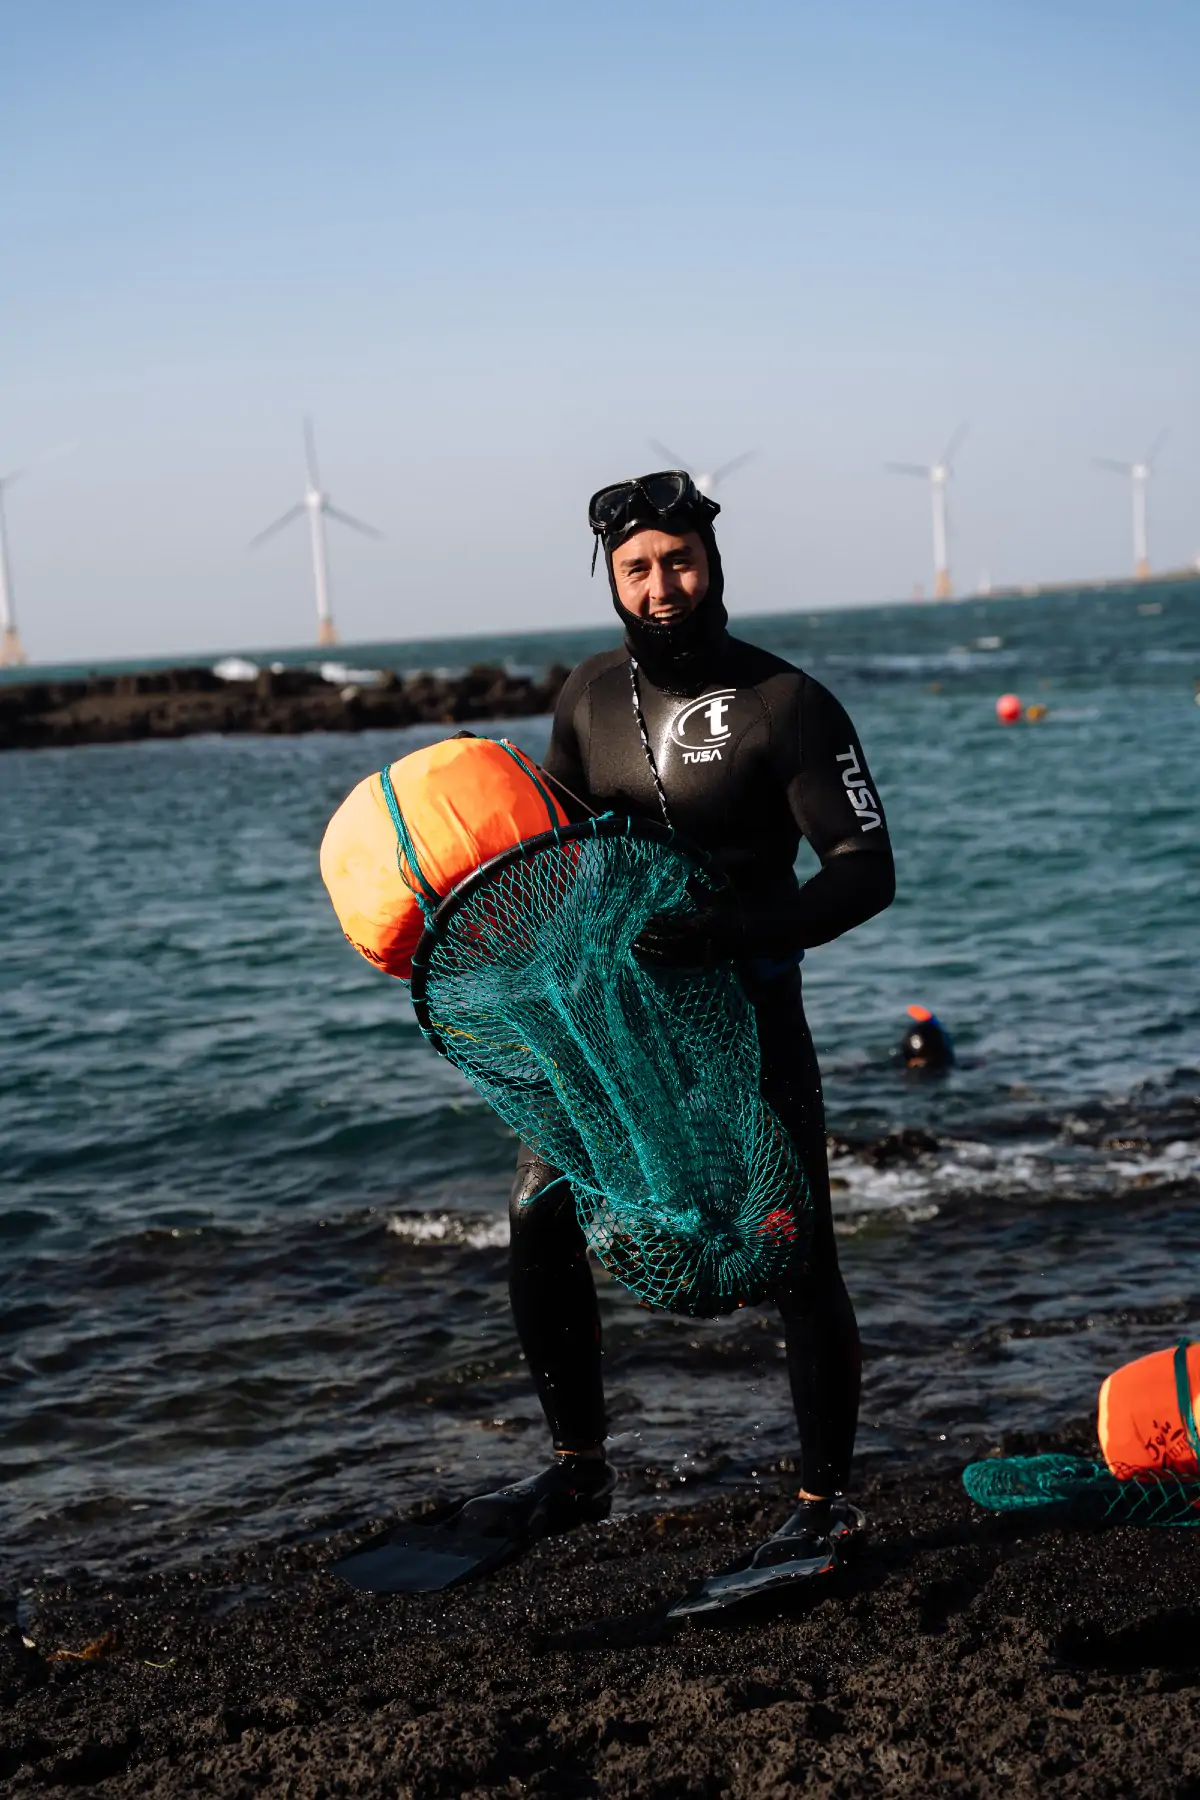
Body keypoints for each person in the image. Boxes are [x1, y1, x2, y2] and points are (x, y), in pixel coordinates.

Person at [471, 471, 895, 1584]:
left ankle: (823, 1508)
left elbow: (865, 872)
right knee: (539, 1212)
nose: (664, 587)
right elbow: (559, 851)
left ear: (714, 558)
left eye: (682, 560)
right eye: (639, 568)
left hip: (749, 1010)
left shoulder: (786, 704)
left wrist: (735, 929)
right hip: (618, 1021)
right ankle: (578, 1466)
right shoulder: (586, 696)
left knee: (795, 1250)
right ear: (612, 578)